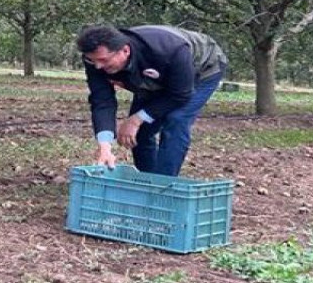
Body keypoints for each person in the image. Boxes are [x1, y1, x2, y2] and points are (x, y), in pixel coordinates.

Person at [76, 24, 227, 177]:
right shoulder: (95, 60)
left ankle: (163, 183)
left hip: (204, 68)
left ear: (125, 51)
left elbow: (180, 95)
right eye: (93, 61)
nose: (98, 66)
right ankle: (147, 179)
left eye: (103, 60)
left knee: (177, 119)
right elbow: (102, 100)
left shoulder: (170, 51)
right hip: (158, 76)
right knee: (140, 131)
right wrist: (105, 146)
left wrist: (136, 119)